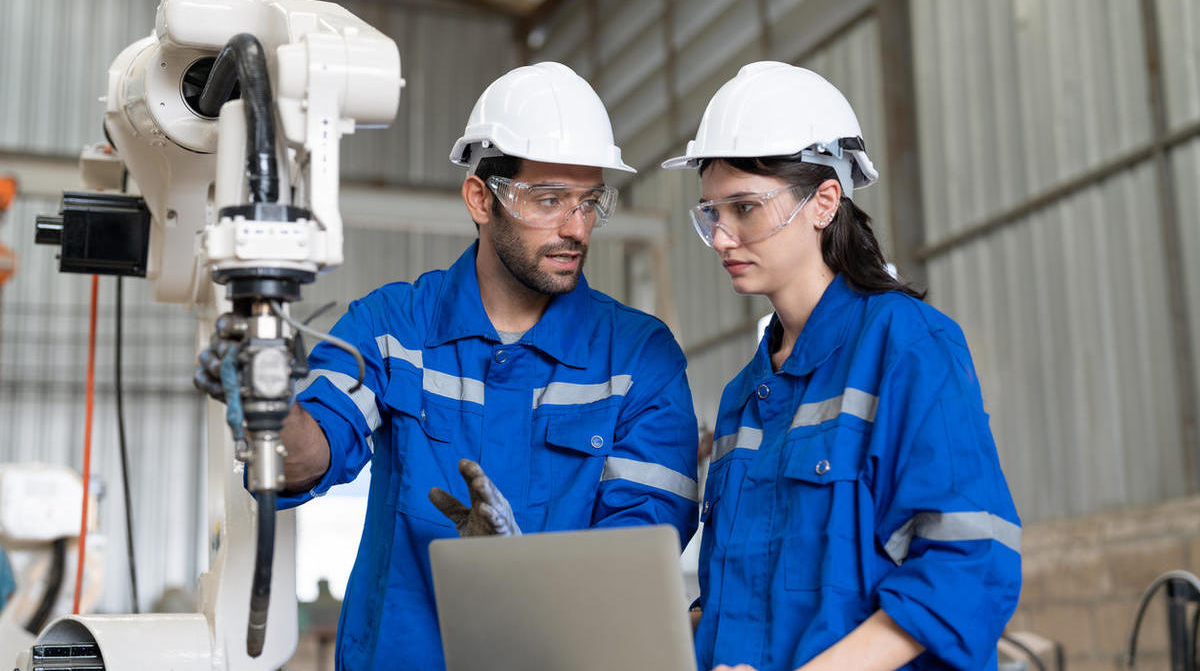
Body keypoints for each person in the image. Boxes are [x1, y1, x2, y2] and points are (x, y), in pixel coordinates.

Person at [196, 62, 700, 670]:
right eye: (549, 201)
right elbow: (310, 452)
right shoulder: (392, 329)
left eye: (589, 202)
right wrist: (269, 412)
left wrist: (516, 575)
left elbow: (639, 554)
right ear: (480, 199)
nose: (576, 228)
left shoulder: (638, 358)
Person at [660, 61, 1022, 671]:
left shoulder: (909, 346)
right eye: (712, 214)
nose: (722, 238)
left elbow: (969, 564)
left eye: (743, 208)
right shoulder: (743, 397)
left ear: (825, 200)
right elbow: (731, 599)